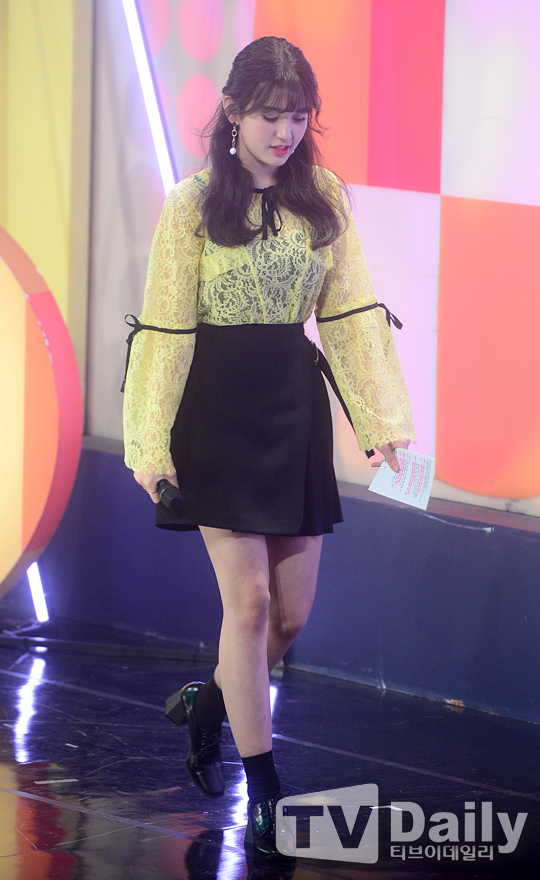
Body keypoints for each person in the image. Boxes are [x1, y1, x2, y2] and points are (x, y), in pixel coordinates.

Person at [122, 35, 415, 858]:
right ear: (232, 112)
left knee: (290, 615)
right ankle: (265, 789)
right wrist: (149, 443)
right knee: (247, 606)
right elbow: (165, 330)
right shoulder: (190, 205)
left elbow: (350, 313)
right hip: (214, 416)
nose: (285, 132)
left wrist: (383, 422)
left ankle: (209, 704)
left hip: (293, 411)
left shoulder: (324, 196)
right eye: (269, 115)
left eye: (297, 116)